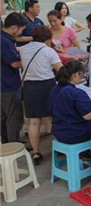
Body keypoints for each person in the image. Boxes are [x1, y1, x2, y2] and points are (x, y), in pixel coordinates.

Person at [20, 25, 63, 164]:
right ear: (47, 38)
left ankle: (36, 153)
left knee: (33, 121)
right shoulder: (49, 51)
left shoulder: (23, 49)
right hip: (47, 86)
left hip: (30, 87)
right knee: (53, 117)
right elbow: (61, 70)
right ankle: (59, 147)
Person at [48, 61, 91, 149]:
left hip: (58, 131)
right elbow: (88, 116)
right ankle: (90, 151)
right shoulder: (76, 92)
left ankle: (86, 151)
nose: (82, 79)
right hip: (75, 133)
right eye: (82, 76)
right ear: (76, 74)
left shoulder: (54, 90)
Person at [1, 13, 27, 143]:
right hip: (8, 84)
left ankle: (6, 143)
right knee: (13, 116)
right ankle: (13, 144)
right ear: (13, 27)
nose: (21, 33)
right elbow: (15, 63)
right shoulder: (5, 41)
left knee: (4, 116)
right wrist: (29, 61)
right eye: (21, 30)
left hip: (3, 83)